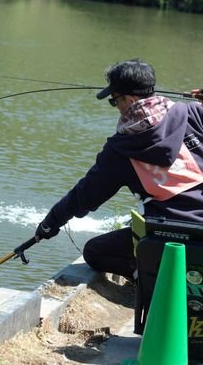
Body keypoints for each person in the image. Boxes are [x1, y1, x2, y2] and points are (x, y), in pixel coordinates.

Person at [34, 59, 203, 279]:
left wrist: (49, 224)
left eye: (115, 101)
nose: (117, 109)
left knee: (95, 251)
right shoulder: (194, 113)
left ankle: (148, 280)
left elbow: (84, 195)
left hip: (168, 239)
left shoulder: (120, 149)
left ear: (131, 100)